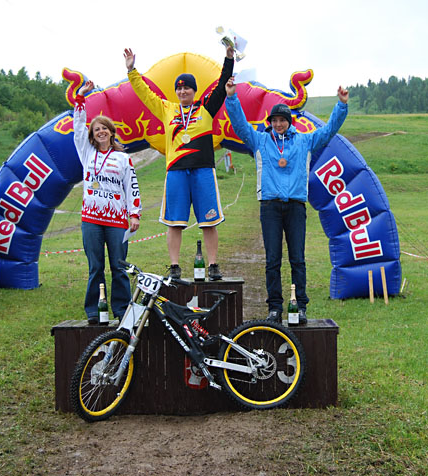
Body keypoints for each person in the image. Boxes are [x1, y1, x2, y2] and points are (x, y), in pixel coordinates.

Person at [223, 76, 349, 323]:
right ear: (270, 122)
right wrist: (231, 97)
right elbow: (239, 125)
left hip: (295, 206)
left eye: (282, 120)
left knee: (297, 259)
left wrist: (341, 105)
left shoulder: (304, 141)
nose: (278, 124)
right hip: (269, 206)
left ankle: (300, 306)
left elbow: (329, 131)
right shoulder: (260, 140)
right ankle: (274, 307)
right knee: (272, 260)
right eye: (275, 120)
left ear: (289, 122)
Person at [123, 45, 234, 280]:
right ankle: (174, 266)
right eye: (179, 88)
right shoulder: (167, 109)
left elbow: (222, 85)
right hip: (176, 172)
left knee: (209, 222)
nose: (183, 91)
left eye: (187, 88)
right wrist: (132, 70)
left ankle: (213, 265)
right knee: (174, 223)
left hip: (203, 171)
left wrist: (229, 59)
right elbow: (145, 94)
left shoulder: (205, 108)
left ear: (194, 90)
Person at [73, 80, 141, 323]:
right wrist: (80, 98)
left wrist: (134, 214)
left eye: (104, 128)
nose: (100, 132)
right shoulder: (87, 153)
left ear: (111, 132)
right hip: (91, 219)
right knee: (95, 267)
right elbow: (78, 128)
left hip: (117, 221)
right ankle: (95, 311)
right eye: (96, 130)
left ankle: (122, 310)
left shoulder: (123, 158)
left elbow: (131, 187)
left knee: (119, 266)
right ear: (92, 135)